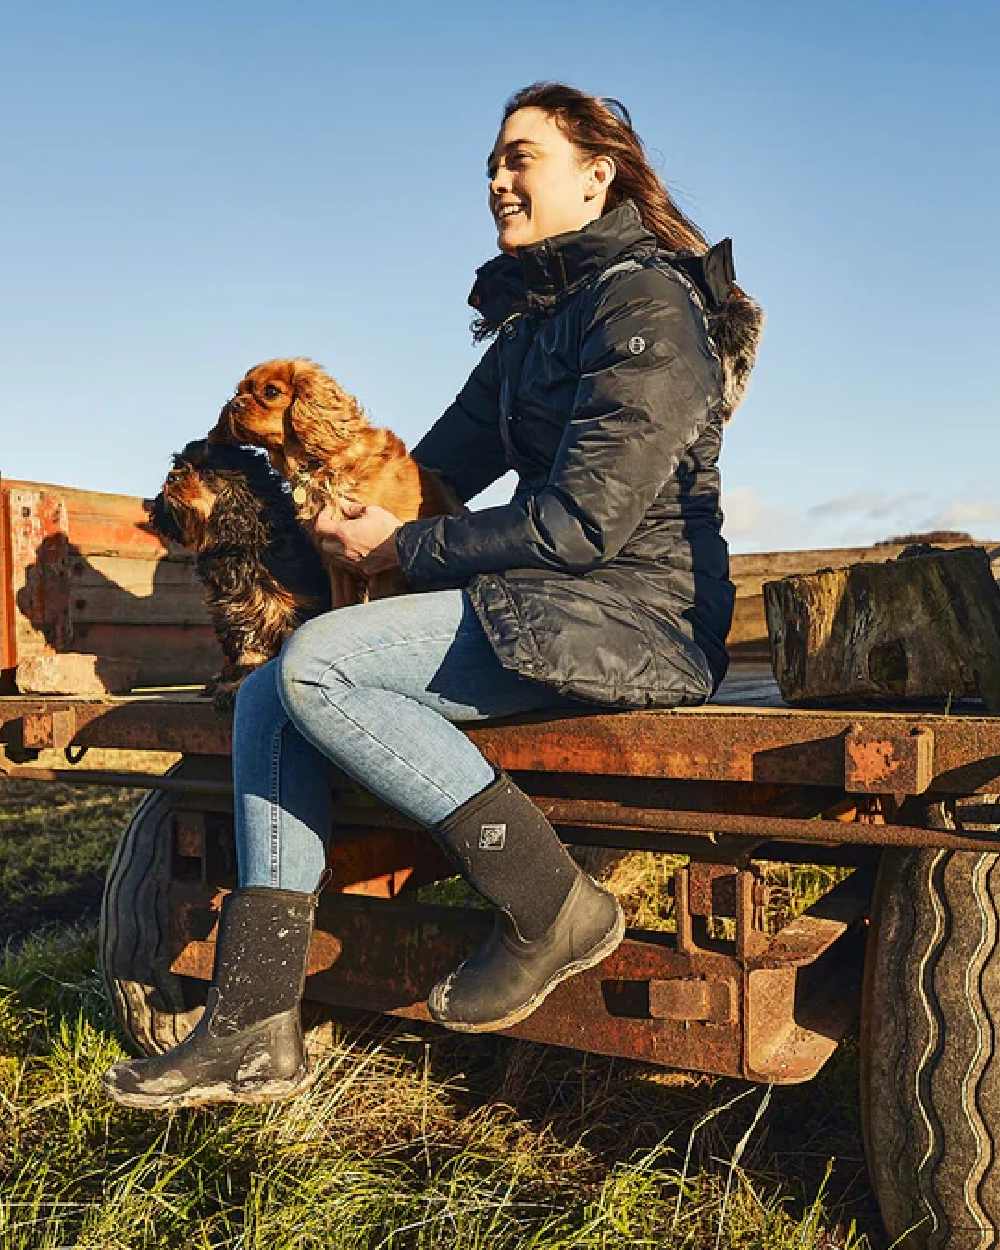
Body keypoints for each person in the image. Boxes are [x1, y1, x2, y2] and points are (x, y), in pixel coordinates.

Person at [103, 81, 763, 1110]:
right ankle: (253, 1025)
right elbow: (429, 465)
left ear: (597, 176)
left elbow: (583, 525)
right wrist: (314, 476)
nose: (498, 179)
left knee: (319, 666)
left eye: (521, 158)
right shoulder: (534, 328)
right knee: (271, 689)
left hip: (640, 616)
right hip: (551, 605)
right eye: (491, 164)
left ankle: (553, 902)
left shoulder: (646, 307)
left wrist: (399, 544)